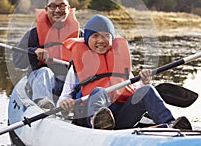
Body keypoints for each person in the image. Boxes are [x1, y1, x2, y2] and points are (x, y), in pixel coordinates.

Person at [58, 14, 192, 130]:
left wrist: (144, 82)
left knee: (146, 89)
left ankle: (171, 124)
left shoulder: (119, 60)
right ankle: (100, 122)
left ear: (112, 38)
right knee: (99, 91)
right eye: (95, 36)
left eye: (106, 35)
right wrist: (65, 103)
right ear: (87, 39)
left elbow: (133, 89)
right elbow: (64, 98)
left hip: (122, 118)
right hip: (90, 119)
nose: (101, 40)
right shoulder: (76, 65)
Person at [13, 0, 81, 109]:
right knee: (45, 72)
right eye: (52, 6)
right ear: (46, 9)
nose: (57, 10)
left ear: (68, 8)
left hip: (68, 85)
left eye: (61, 6)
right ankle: (44, 104)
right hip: (43, 83)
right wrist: (33, 52)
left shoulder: (80, 36)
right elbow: (17, 61)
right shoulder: (34, 34)